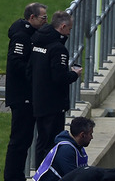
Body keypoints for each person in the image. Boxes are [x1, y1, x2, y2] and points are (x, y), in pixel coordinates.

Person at [2, 2, 48, 181]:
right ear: (32, 18)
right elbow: (16, 62)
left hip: (27, 96)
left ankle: (18, 179)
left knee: (25, 139)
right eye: (42, 17)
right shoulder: (21, 36)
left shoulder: (29, 34)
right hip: (21, 97)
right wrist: (35, 72)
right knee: (19, 140)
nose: (45, 20)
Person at [29, 10, 82, 166]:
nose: (69, 33)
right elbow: (59, 78)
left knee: (42, 141)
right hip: (53, 104)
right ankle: (46, 180)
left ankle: (39, 175)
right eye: (69, 29)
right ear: (63, 26)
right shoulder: (58, 49)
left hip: (39, 100)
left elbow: (29, 70)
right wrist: (74, 74)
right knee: (51, 143)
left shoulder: (37, 42)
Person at [33, 116, 95, 181]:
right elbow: (74, 178)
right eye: (90, 134)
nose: (92, 137)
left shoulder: (78, 146)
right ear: (82, 135)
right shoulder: (66, 150)